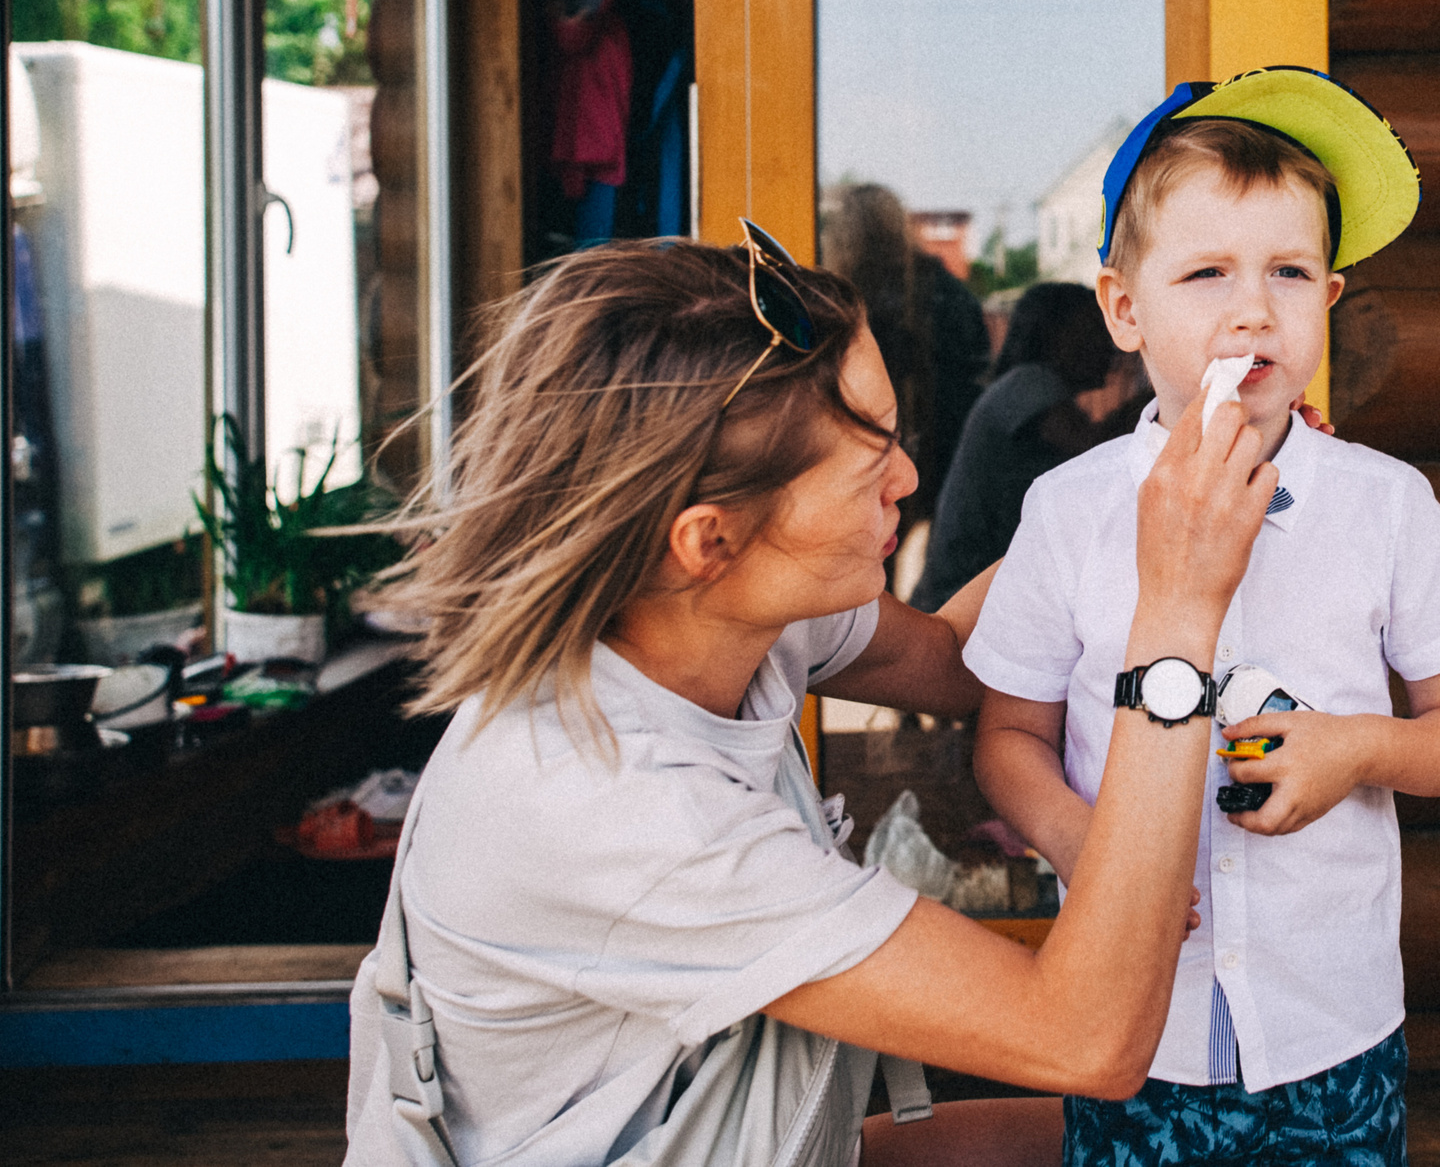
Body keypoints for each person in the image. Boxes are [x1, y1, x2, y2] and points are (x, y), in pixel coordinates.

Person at [342, 225, 1277, 1166]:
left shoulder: (712, 616)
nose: (910, 478)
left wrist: (1122, 498)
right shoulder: (618, 807)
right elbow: (1087, 1037)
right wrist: (1178, 615)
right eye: (872, 467)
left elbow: (957, 659)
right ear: (709, 540)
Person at [966, 69, 1440, 1167]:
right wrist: (1081, 840)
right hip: (1131, 1027)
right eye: (1207, 271)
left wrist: (1359, 748)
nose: (1254, 308)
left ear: (1329, 302)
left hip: (1331, 1029)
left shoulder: (1387, 504)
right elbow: (1007, 737)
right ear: (1124, 308)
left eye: (1289, 272)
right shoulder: (1067, 512)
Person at [913, 282, 1128, 614]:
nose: (1110, 345)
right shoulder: (1028, 384)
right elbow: (1096, 450)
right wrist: (1157, 405)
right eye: (1094, 329)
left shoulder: (1025, 389)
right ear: (1056, 336)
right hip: (957, 607)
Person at [821, 182, 989, 527]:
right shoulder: (945, 290)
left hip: (889, 449)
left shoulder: (846, 305)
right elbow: (977, 360)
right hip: (951, 446)